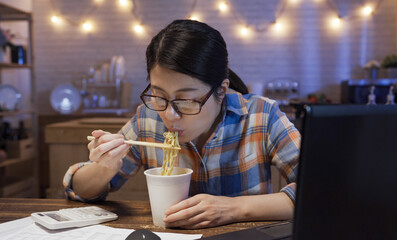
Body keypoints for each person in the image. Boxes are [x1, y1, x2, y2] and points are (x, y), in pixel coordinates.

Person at [63, 19, 301, 229]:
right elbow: (80, 190)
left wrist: (234, 208)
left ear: (221, 91)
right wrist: (103, 168)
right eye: (159, 95)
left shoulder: (262, 115)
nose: (169, 115)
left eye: (186, 100)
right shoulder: (148, 119)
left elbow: (323, 189)